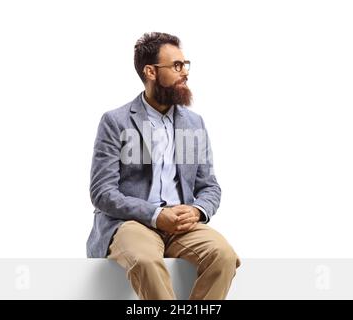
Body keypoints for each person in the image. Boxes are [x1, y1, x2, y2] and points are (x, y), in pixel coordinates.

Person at [87, 32, 240, 300]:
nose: (185, 73)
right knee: (146, 261)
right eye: (177, 66)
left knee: (224, 256)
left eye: (185, 64)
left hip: (183, 224)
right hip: (132, 222)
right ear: (151, 71)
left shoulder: (194, 123)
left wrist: (196, 210)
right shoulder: (115, 121)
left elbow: (209, 186)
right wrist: (157, 215)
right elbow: (102, 193)